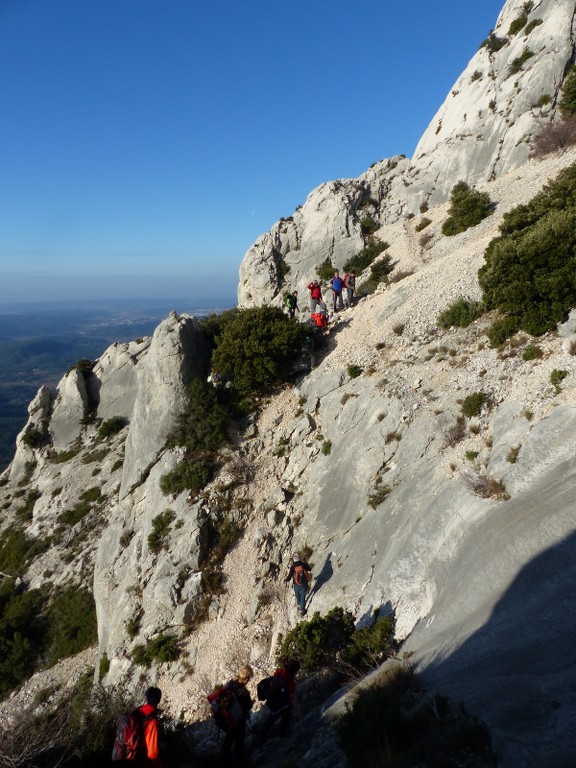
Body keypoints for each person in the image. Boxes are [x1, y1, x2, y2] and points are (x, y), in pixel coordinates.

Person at [259, 659, 302, 739]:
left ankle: (261, 735)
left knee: (272, 718)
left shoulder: (279, 672)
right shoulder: (289, 682)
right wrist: (300, 715)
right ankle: (282, 733)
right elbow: (293, 699)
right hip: (281, 703)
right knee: (286, 715)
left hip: (272, 701)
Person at [219, 665, 254, 762]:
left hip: (225, 716)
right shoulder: (244, 692)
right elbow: (248, 706)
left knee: (229, 737)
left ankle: (223, 756)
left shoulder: (230, 683)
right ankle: (237, 758)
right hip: (237, 719)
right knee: (239, 737)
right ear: (246, 679)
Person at [138, 687, 163, 768]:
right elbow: (152, 753)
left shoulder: (139, 710)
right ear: (158, 700)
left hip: (126, 753)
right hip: (139, 758)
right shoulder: (152, 722)